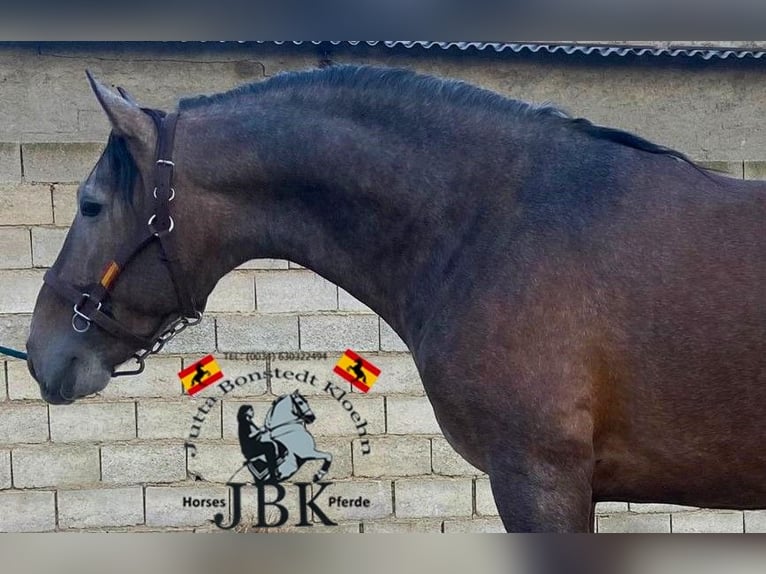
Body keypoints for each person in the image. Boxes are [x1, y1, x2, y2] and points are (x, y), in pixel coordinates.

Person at [236, 405, 279, 483]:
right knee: (269, 446)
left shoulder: (249, 422)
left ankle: (273, 469)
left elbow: (255, 435)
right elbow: (248, 436)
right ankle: (273, 473)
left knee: (270, 444)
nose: (253, 412)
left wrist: (263, 431)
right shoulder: (243, 423)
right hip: (249, 448)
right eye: (250, 410)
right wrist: (259, 431)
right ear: (245, 412)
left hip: (253, 446)